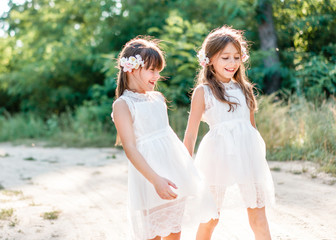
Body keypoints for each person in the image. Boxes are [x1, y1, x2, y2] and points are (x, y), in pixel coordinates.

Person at [112, 37, 218, 240]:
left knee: (174, 232)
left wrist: (186, 168)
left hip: (173, 173)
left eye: (158, 71)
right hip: (149, 176)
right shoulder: (123, 105)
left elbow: (169, 139)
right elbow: (131, 148)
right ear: (132, 68)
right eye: (152, 70)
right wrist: (155, 180)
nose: (157, 76)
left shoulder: (158, 99)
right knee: (153, 234)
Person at [183, 26, 275, 240]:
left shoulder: (245, 90)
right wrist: (185, 166)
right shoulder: (203, 91)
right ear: (210, 59)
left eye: (236, 57)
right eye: (225, 57)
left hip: (247, 156)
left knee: (258, 215)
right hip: (217, 158)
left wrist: (258, 161)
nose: (232, 63)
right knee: (210, 217)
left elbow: (251, 130)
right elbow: (190, 134)